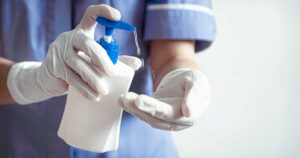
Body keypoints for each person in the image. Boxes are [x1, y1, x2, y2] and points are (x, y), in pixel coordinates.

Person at [0, 1, 216, 158]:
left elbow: (173, 55)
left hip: (135, 150)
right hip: (17, 144)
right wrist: (29, 80)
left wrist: (180, 78)